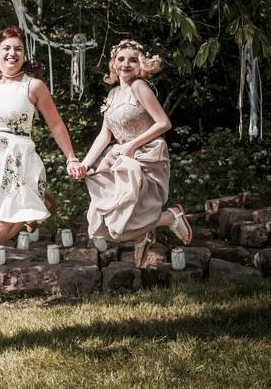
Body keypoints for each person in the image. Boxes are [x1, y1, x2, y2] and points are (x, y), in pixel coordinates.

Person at [0, 26, 86, 245]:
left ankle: (33, 204)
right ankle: (30, 205)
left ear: (24, 54)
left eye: (18, 49)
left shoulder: (33, 86)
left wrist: (71, 157)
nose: (12, 53)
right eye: (6, 48)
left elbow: (56, 124)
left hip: (15, 162)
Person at [81, 39, 192, 267]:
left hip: (145, 155)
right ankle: (147, 231)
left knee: (122, 217)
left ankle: (169, 217)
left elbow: (163, 123)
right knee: (110, 220)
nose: (126, 64)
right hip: (121, 156)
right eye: (121, 59)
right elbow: (104, 135)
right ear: (113, 64)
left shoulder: (139, 87)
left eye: (132, 60)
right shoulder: (112, 94)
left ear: (140, 64)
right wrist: (85, 164)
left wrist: (132, 145)